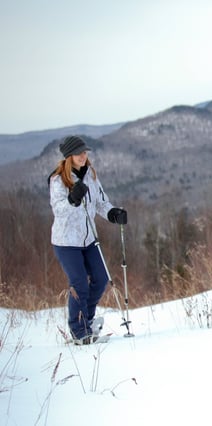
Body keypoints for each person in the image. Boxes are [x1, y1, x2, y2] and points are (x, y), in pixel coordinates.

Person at [48, 135, 127, 345]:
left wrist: (113, 213)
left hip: (89, 238)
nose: (84, 156)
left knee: (101, 278)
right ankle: (79, 332)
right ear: (69, 156)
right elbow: (58, 210)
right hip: (66, 242)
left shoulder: (91, 175)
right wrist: (72, 199)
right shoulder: (58, 180)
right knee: (79, 284)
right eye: (79, 153)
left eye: (85, 152)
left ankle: (88, 320)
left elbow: (101, 202)